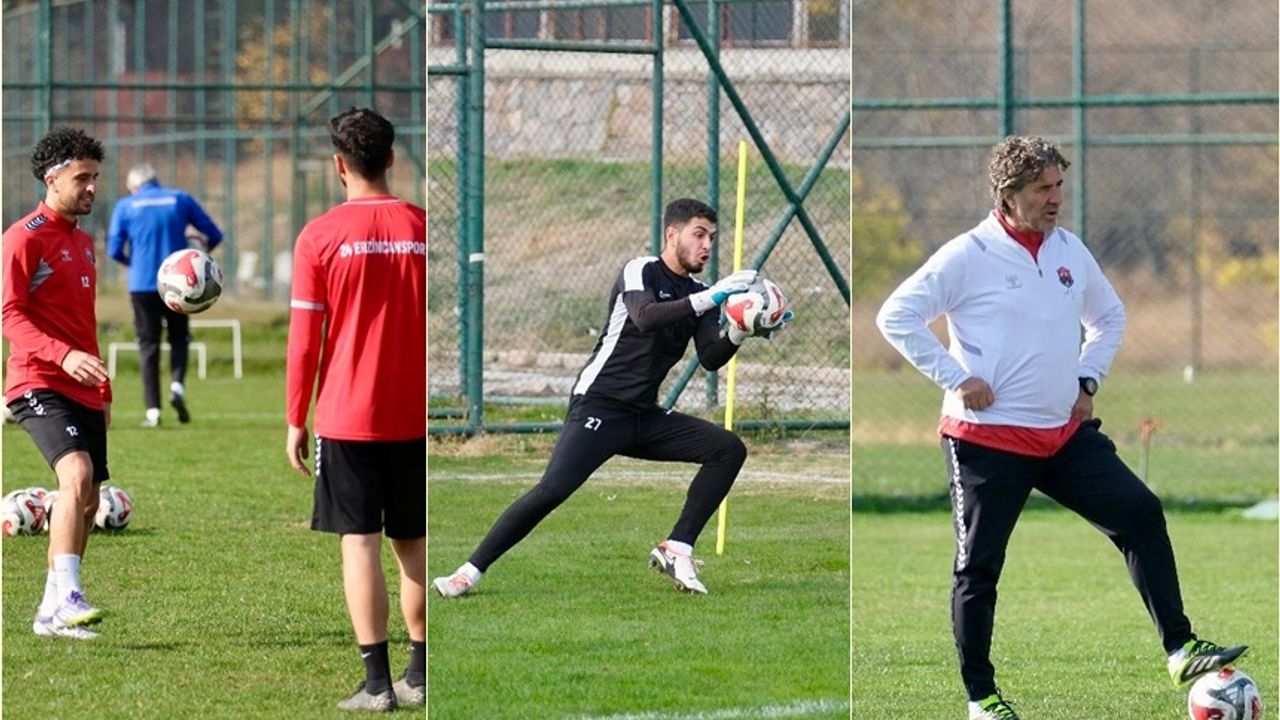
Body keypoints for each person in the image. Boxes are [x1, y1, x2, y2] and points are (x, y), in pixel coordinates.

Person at [875, 136, 1246, 720]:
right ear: (1008, 194)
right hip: (986, 441)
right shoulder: (968, 254)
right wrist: (956, 377)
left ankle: (1180, 648)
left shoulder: (1068, 249)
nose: (1055, 199)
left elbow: (1109, 316)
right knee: (978, 570)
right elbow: (895, 316)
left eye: (1058, 186)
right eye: (1041, 188)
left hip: (1062, 437)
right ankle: (982, 700)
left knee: (1140, 511)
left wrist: (1087, 380)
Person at [432, 197, 792, 600]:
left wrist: (740, 330)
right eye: (699, 235)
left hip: (643, 416)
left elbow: (710, 358)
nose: (707, 245)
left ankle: (677, 547)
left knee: (727, 449)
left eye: (711, 237)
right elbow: (646, 317)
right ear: (671, 235)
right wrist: (715, 297)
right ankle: (467, 573)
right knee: (552, 490)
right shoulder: (640, 270)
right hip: (599, 405)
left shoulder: (702, 293)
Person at [285, 107, 425, 713]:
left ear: (338, 165)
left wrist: (295, 417)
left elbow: (304, 341)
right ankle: (420, 675)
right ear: (391, 159)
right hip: (413, 417)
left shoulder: (319, 236)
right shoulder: (423, 227)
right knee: (413, 541)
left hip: (348, 417)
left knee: (359, 544)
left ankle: (376, 685)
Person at [3, 127, 113, 641]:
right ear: (52, 179)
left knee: (88, 500)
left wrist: (102, 389)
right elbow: (9, 315)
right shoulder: (23, 237)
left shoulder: (83, 243)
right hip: (37, 378)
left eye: (95, 177)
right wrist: (63, 356)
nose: (92, 187)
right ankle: (69, 597)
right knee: (76, 473)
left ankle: (50, 610)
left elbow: (82, 324)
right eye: (82, 177)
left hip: (82, 384)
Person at [107, 162, 223, 427]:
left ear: (134, 186)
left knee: (149, 345)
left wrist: (133, 263)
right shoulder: (179, 198)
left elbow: (114, 250)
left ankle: (153, 412)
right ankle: (177, 386)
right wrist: (199, 256)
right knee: (179, 338)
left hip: (142, 284)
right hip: (181, 286)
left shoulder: (126, 206)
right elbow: (214, 234)